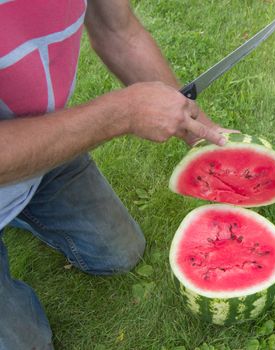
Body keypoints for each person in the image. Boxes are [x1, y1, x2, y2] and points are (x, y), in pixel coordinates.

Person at [0, 1, 236, 348]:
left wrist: (196, 128)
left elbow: (119, 31)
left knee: (120, 253)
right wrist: (122, 113)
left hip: (40, 139)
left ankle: (21, 208)